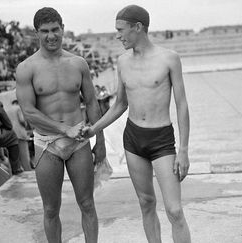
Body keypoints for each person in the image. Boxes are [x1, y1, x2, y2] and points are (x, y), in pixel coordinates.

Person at [81, 5, 191, 243]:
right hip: (133, 139)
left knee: (174, 210)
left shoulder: (169, 59)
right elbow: (120, 104)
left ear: (138, 27)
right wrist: (94, 128)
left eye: (121, 29)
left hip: (161, 139)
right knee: (146, 202)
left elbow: (182, 105)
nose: (118, 35)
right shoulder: (122, 62)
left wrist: (183, 150)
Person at [15, 7, 106, 243]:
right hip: (47, 144)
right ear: (36, 33)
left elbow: (93, 103)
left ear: (63, 29)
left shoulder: (78, 63)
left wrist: (101, 141)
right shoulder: (27, 68)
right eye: (45, 31)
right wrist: (64, 129)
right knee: (50, 209)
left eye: (55, 29)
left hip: (79, 143)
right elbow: (29, 111)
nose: (51, 36)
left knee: (87, 204)